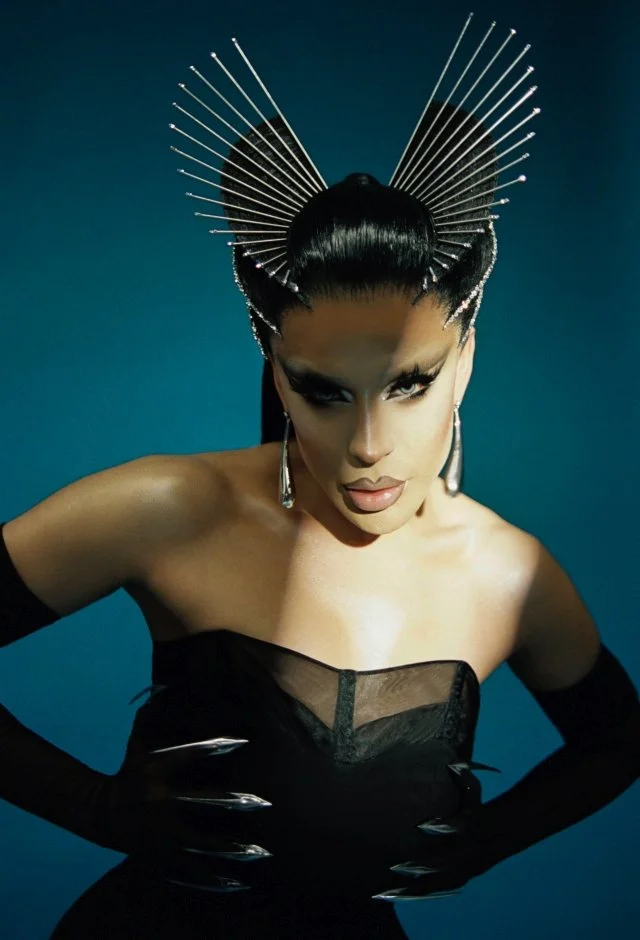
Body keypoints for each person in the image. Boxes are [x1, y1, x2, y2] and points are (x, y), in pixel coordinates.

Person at [1, 15, 638, 939]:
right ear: (275, 365)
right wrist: (93, 808)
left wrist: (495, 837)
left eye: (410, 384)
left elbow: (617, 742)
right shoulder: (169, 510)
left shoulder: (508, 574)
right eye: (325, 391)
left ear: (465, 356)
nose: (370, 444)